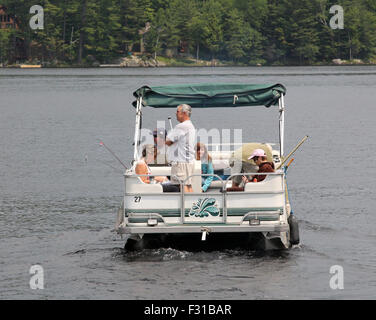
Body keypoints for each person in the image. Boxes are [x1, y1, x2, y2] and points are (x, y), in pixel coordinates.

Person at [165, 104, 196, 193]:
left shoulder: (181, 126)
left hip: (181, 162)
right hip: (189, 161)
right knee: (188, 185)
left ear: (184, 113)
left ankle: (186, 206)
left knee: (182, 185)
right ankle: (192, 205)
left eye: (177, 111)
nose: (176, 113)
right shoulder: (191, 125)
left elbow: (168, 142)